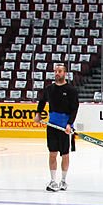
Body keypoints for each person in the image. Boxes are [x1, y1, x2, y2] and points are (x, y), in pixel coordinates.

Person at [34, 62, 79, 192]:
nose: (57, 73)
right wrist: (38, 115)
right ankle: (53, 181)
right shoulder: (49, 89)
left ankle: (63, 181)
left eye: (60, 71)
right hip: (52, 126)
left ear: (65, 73)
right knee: (52, 153)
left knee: (65, 154)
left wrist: (70, 124)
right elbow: (42, 102)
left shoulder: (71, 90)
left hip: (65, 126)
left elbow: (74, 109)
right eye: (55, 71)